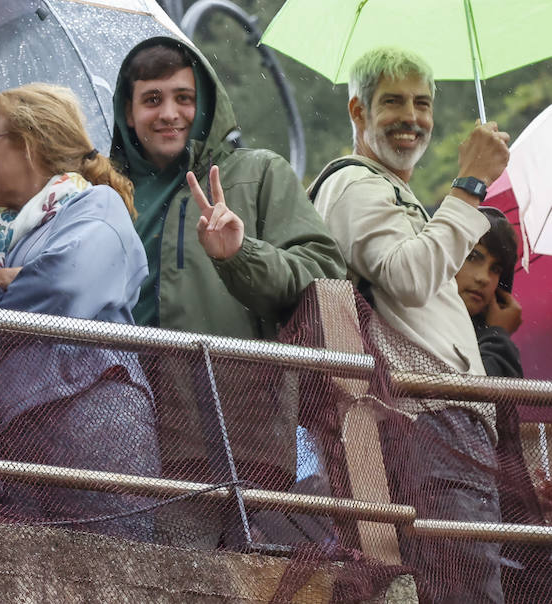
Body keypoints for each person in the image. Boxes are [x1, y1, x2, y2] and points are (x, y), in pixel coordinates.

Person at [108, 37, 346, 547]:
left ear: (206, 107)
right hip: (115, 425)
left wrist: (239, 256)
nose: (169, 113)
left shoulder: (259, 173)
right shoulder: (102, 190)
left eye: (184, 98)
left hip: (234, 426)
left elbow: (324, 274)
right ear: (128, 113)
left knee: (208, 576)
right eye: (152, 100)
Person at [311, 46, 508, 604]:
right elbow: (408, 277)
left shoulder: (390, 190)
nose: (412, 117)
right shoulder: (355, 185)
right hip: (426, 422)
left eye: (422, 103)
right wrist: (469, 184)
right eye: (392, 101)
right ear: (357, 111)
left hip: (446, 425)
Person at [0, 84, 158, 535]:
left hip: (92, 419)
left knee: (111, 577)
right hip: (12, 443)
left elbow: (66, 287)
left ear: (28, 145)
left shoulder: (97, 204)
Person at [460, 207, 522, 379]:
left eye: (495, 269)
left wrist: (496, 334)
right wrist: (498, 335)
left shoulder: (483, 336)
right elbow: (475, 397)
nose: (485, 278)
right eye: (472, 257)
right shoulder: (418, 318)